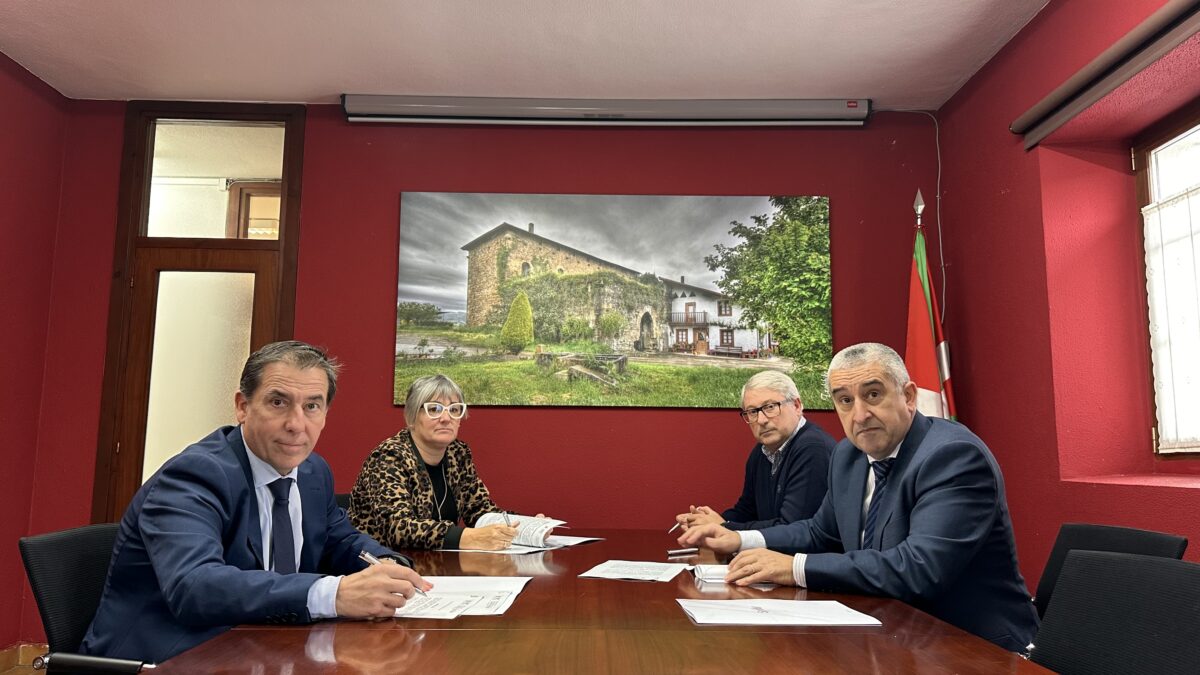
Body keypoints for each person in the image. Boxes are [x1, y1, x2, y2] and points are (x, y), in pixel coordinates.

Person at [81, 341, 431, 664]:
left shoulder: (313, 471)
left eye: (312, 406)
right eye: (278, 402)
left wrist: (387, 563)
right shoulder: (195, 475)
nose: (296, 424)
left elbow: (339, 540)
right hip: (169, 658)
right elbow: (195, 586)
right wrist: (333, 594)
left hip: (264, 649)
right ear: (242, 406)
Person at [680, 343, 1038, 652]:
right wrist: (739, 539)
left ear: (908, 396)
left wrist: (794, 568)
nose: (860, 415)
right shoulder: (848, 455)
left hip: (971, 645)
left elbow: (919, 568)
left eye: (873, 395)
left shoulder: (952, 456)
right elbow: (820, 533)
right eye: (845, 401)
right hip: (889, 636)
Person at [350, 374, 543, 550]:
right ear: (412, 417)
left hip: (437, 563)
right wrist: (469, 537)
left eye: (454, 409)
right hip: (381, 563)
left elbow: (479, 511)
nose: (446, 418)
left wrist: (527, 527)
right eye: (434, 409)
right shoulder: (389, 456)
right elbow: (398, 528)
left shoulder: (457, 453)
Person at [674, 370, 835, 531]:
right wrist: (705, 522)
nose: (761, 420)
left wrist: (723, 527)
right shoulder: (762, 451)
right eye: (752, 412)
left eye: (770, 407)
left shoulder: (813, 449)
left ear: (796, 406)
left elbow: (793, 528)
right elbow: (747, 511)